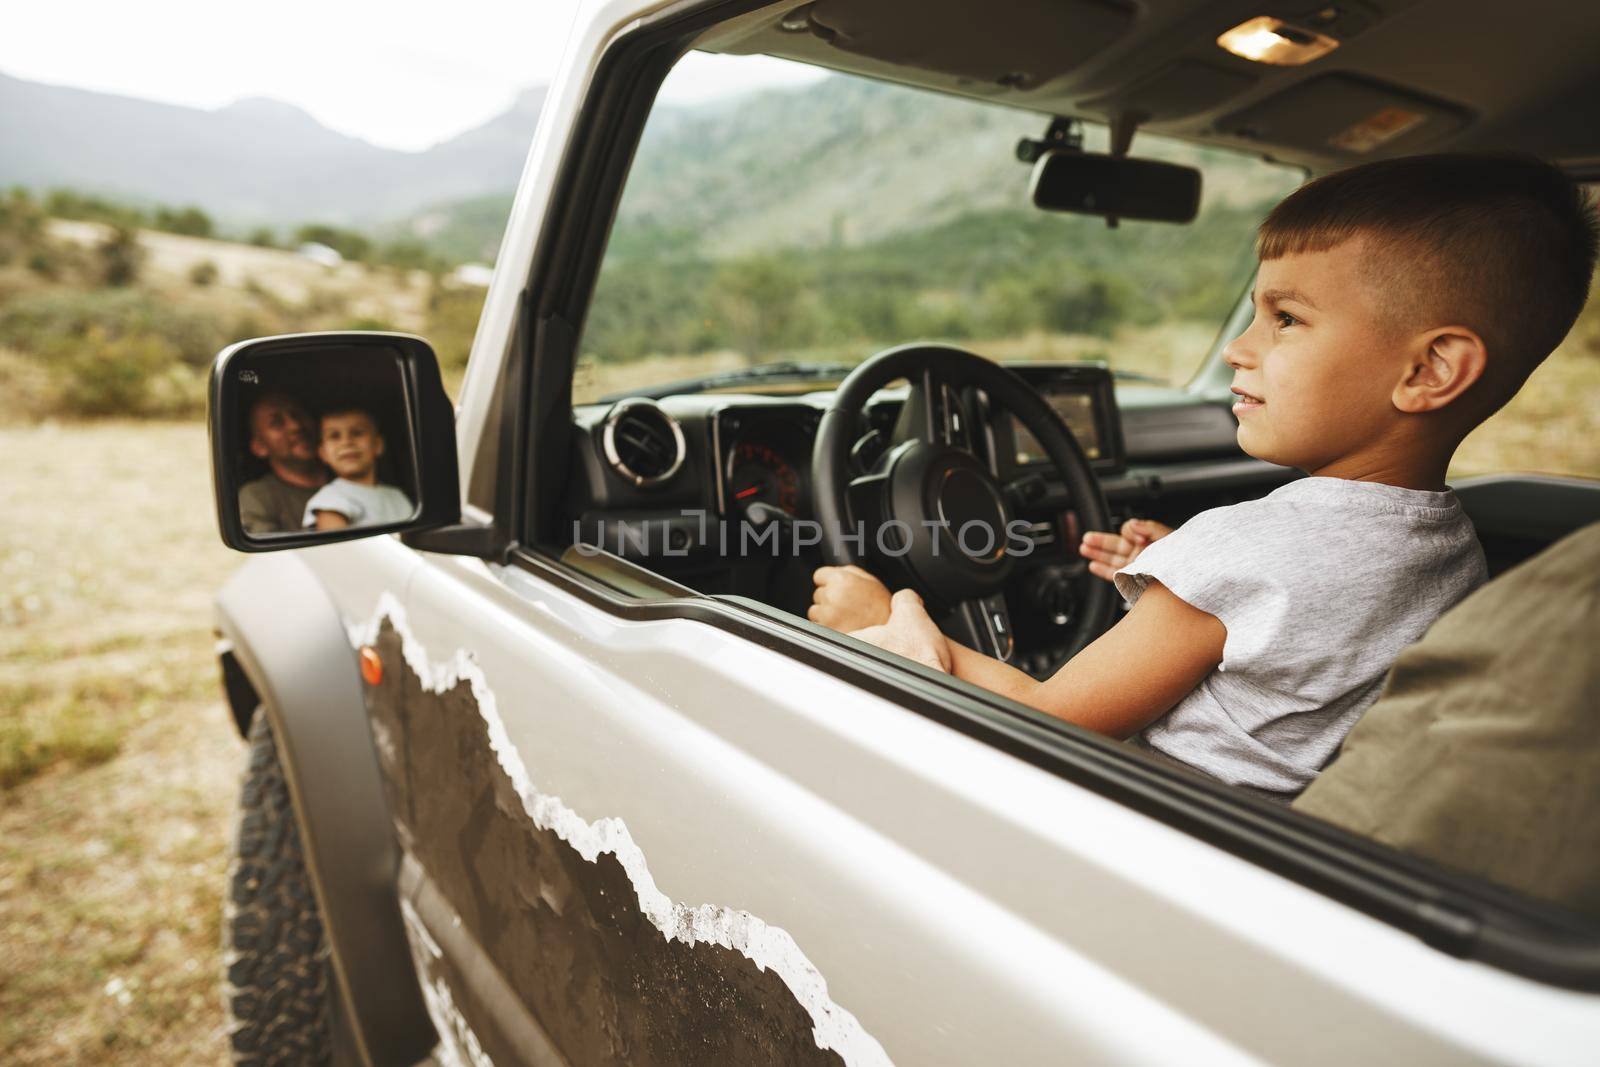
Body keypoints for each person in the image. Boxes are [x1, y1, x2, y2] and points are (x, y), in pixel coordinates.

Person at [810, 152, 1598, 801]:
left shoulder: (1242, 551)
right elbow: (1285, 630)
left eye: (1285, 318)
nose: (1236, 348)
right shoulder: (1451, 547)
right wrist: (1177, 575)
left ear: (1429, 370)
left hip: (1141, 830)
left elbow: (1046, 722)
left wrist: (885, 625)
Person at [302, 406, 415, 531]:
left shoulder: (396, 495)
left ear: (378, 445)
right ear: (323, 453)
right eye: (334, 436)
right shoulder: (329, 501)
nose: (346, 442)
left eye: (357, 433)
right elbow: (338, 548)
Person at [238, 391, 329, 534]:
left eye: (298, 415)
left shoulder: (353, 473)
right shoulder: (258, 496)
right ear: (260, 447)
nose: (296, 426)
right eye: (276, 423)